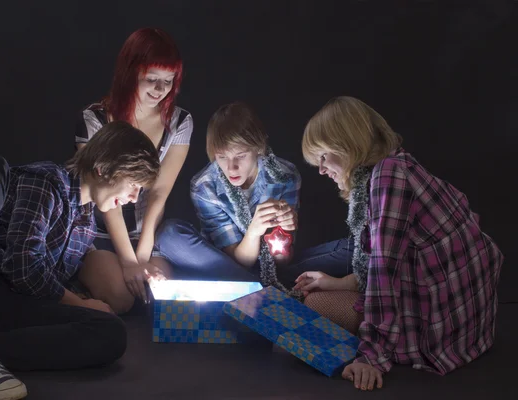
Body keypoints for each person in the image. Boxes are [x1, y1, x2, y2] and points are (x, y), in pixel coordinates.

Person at [0, 121, 161, 400]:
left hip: (2, 303)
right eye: (133, 185)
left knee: (111, 332)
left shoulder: (85, 222)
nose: (133, 198)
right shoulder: (48, 183)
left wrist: (94, 301)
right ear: (103, 169)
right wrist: (80, 303)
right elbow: (23, 266)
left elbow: (44, 286)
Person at [296, 96, 503, 391]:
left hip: (436, 331)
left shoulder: (388, 177)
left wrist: (371, 357)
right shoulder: (399, 164)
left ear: (347, 145)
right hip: (471, 327)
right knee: (320, 294)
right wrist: (342, 283)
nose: (321, 170)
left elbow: (384, 271)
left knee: (313, 306)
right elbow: (400, 260)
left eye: (323, 157)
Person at [155, 102, 354, 294]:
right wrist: (254, 231)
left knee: (356, 248)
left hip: (268, 270)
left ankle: (252, 289)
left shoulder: (285, 176)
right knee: (169, 234)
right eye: (222, 157)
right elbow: (237, 261)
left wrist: (284, 235)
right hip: (223, 264)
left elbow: (282, 260)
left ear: (258, 148)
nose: (231, 167)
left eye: (240, 156)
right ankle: (266, 290)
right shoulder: (204, 185)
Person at [75, 27, 193, 309]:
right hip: (100, 230)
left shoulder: (180, 122)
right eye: (152, 79)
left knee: (154, 297)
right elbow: (105, 196)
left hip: (147, 232)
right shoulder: (94, 118)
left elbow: (159, 193)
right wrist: (128, 262)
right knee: (122, 298)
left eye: (168, 80)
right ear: (131, 73)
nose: (160, 90)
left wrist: (142, 256)